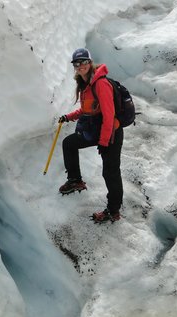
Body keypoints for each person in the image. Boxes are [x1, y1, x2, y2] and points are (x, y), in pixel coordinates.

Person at [58, 48, 124, 223]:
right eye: (76, 64)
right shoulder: (86, 84)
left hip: (111, 133)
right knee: (69, 143)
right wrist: (69, 117)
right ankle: (75, 180)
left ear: (90, 62)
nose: (80, 66)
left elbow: (109, 116)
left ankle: (113, 211)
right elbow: (87, 109)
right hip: (96, 129)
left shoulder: (100, 84)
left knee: (110, 172)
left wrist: (104, 141)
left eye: (83, 62)